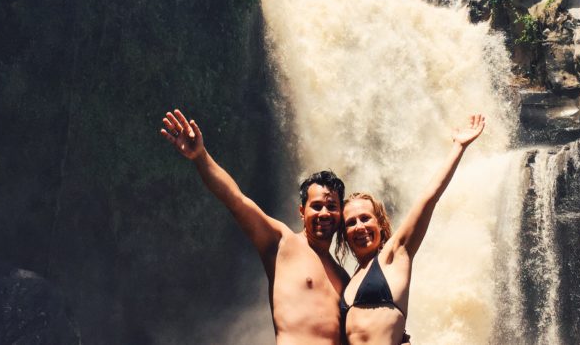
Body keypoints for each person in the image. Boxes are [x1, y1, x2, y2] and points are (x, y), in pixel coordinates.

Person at [160, 108, 349, 345]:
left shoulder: (344, 278)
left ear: (341, 213)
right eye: (316, 206)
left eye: (331, 206)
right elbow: (236, 200)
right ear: (302, 212)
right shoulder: (281, 243)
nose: (324, 213)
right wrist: (200, 156)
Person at [339, 114, 485, 345]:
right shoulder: (350, 278)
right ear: (344, 234)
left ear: (380, 223)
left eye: (365, 218)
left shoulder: (394, 255)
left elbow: (428, 199)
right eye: (351, 222)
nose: (360, 227)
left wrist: (458, 147)